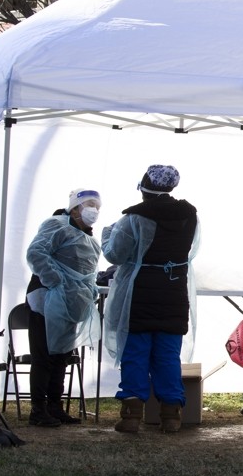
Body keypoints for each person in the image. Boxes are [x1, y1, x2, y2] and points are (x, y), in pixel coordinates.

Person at [102, 165, 199, 433]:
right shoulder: (190, 216)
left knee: (135, 352)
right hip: (174, 291)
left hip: (140, 294)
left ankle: (131, 416)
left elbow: (115, 255)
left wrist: (106, 235)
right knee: (168, 355)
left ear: (144, 187)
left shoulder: (133, 218)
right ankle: (171, 416)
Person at [24, 188, 103, 427]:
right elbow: (36, 253)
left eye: (97, 207)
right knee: (44, 355)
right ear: (74, 207)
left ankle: (55, 407)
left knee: (61, 355)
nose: (94, 211)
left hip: (69, 301)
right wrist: (55, 281)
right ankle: (38, 410)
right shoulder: (56, 226)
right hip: (47, 297)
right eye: (89, 205)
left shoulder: (88, 237)